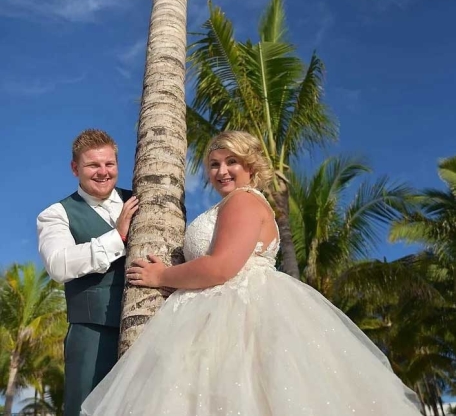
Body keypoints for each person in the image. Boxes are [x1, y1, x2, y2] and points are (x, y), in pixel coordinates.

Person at [81, 130, 421, 416]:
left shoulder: (243, 200)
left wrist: (161, 277)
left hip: (240, 313)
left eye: (232, 162)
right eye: (214, 164)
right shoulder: (231, 203)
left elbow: (221, 266)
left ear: (250, 166)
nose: (221, 171)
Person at [37, 129, 139, 416]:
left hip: (148, 322)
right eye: (93, 165)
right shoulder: (56, 214)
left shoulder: (142, 200)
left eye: (109, 164)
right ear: (75, 168)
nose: (103, 172)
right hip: (91, 333)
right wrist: (116, 238)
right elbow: (59, 264)